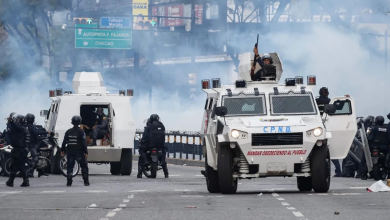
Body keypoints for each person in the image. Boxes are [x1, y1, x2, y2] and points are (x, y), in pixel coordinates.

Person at [315, 87, 342, 177]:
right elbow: (339, 108)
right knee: (330, 150)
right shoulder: (330, 101)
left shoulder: (316, 100)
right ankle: (338, 171)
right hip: (328, 125)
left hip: (316, 126)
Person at [61, 115, 89, 186]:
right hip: (79, 151)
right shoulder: (81, 132)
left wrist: (62, 150)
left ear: (72, 122)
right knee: (84, 165)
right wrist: (86, 152)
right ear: (80, 122)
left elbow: (64, 142)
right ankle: (86, 181)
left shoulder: (68, 131)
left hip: (70, 151)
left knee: (70, 166)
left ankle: (69, 180)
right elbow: (83, 142)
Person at [360, 116, 389, 180]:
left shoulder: (374, 128)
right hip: (384, 147)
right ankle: (387, 169)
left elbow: (370, 138)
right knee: (388, 157)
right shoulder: (387, 129)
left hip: (373, 147)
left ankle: (363, 173)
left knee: (365, 158)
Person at [6, 114, 30, 187]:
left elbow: (16, 127)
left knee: (14, 166)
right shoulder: (24, 128)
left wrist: (11, 122)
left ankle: (11, 181)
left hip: (19, 149)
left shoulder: (21, 129)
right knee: (21, 166)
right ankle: (25, 181)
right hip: (23, 150)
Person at [25, 113, 50, 177]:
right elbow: (37, 132)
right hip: (32, 144)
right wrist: (47, 132)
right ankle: (30, 172)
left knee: (39, 155)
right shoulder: (32, 126)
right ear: (33, 119)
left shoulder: (25, 126)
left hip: (27, 144)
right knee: (35, 158)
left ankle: (41, 171)